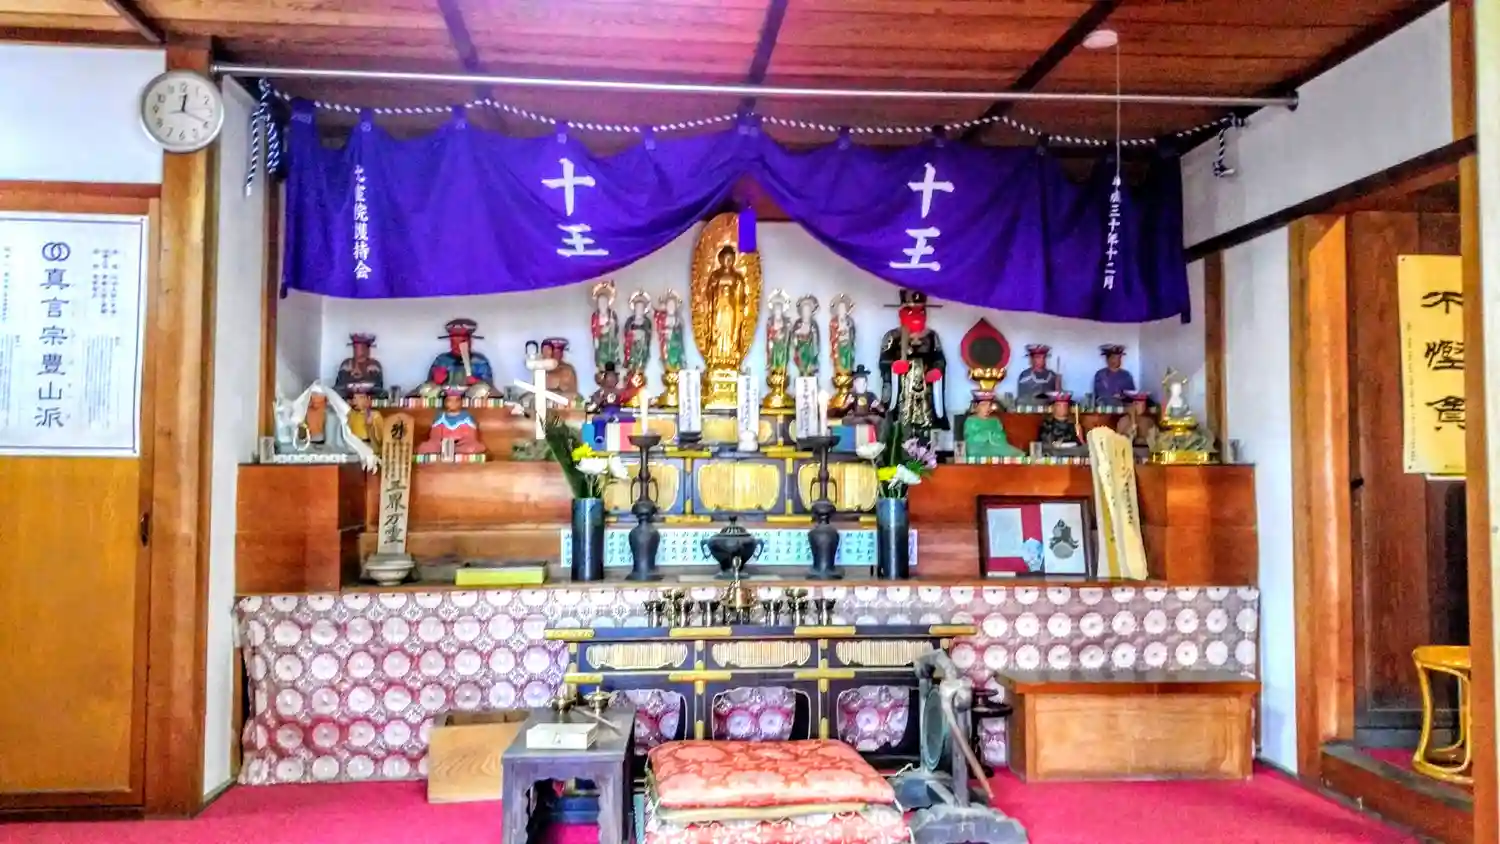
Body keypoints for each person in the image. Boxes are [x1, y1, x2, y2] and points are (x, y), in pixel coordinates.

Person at [414, 319, 495, 399]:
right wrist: (436, 381)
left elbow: (488, 385)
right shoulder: (441, 359)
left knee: (482, 389)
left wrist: (475, 381)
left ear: (470, 342)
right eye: (453, 342)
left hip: (469, 394)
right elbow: (429, 382)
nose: (457, 346)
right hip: (445, 394)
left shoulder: (480, 360)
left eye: (462, 342)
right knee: (426, 389)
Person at [416, 387, 485, 455]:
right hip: (441, 445)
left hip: (462, 444)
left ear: (462, 402)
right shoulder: (440, 416)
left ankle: (457, 451)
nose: (453, 403)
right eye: (449, 400)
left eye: (457, 400)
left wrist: (461, 441)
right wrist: (441, 441)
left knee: (472, 447)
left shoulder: (466, 417)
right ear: (445, 402)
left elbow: (470, 436)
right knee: (425, 447)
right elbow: (435, 435)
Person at [963, 390, 1023, 459]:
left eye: (989, 405)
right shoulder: (971, 421)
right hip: (977, 449)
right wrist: (988, 434)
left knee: (1019, 454)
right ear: (976, 406)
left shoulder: (995, 420)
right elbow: (970, 440)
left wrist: (994, 437)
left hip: (997, 447)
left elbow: (1002, 437)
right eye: (984, 405)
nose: (987, 408)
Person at [334, 333, 384, 399]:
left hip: (368, 399)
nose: (359, 351)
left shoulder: (375, 365)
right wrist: (352, 374)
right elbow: (340, 386)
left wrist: (364, 372)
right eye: (355, 348)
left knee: (383, 394)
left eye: (363, 348)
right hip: (347, 399)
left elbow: (378, 387)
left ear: (368, 350)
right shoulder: (346, 364)